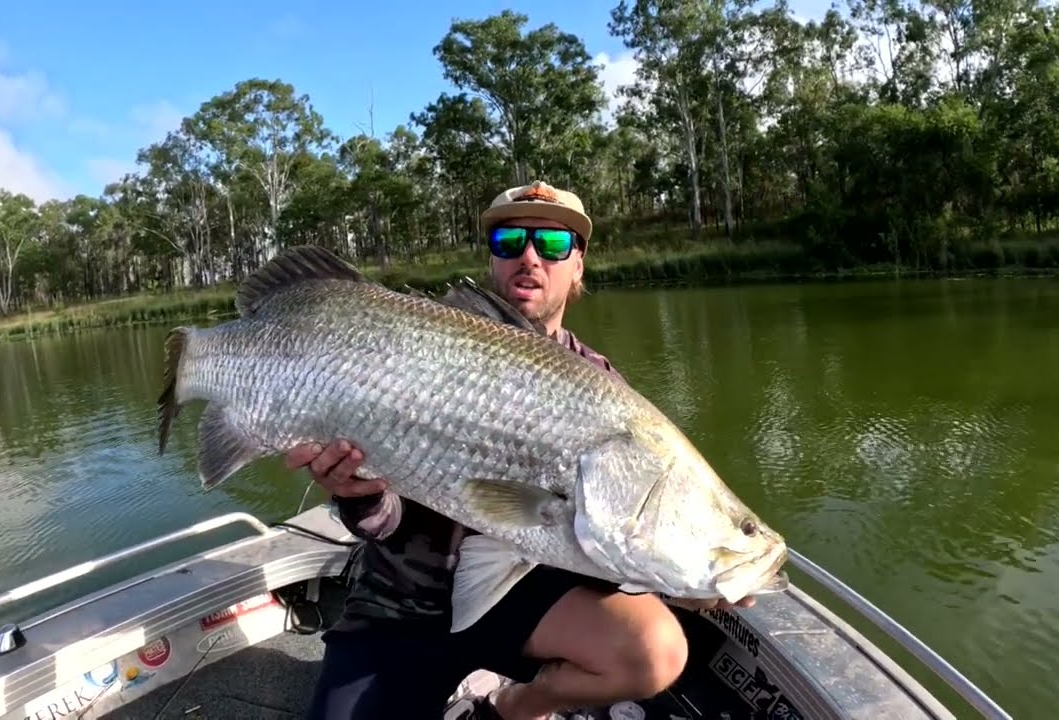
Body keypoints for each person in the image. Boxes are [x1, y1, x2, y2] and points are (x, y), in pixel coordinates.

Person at [290, 181, 756, 720]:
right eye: (510, 241)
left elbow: (605, 538)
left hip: (519, 600)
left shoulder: (604, 391)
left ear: (577, 265)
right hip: (399, 602)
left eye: (553, 244)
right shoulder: (416, 351)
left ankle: (510, 706)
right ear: (493, 260)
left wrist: (677, 579)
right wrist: (357, 494)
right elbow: (381, 522)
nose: (530, 257)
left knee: (656, 651)